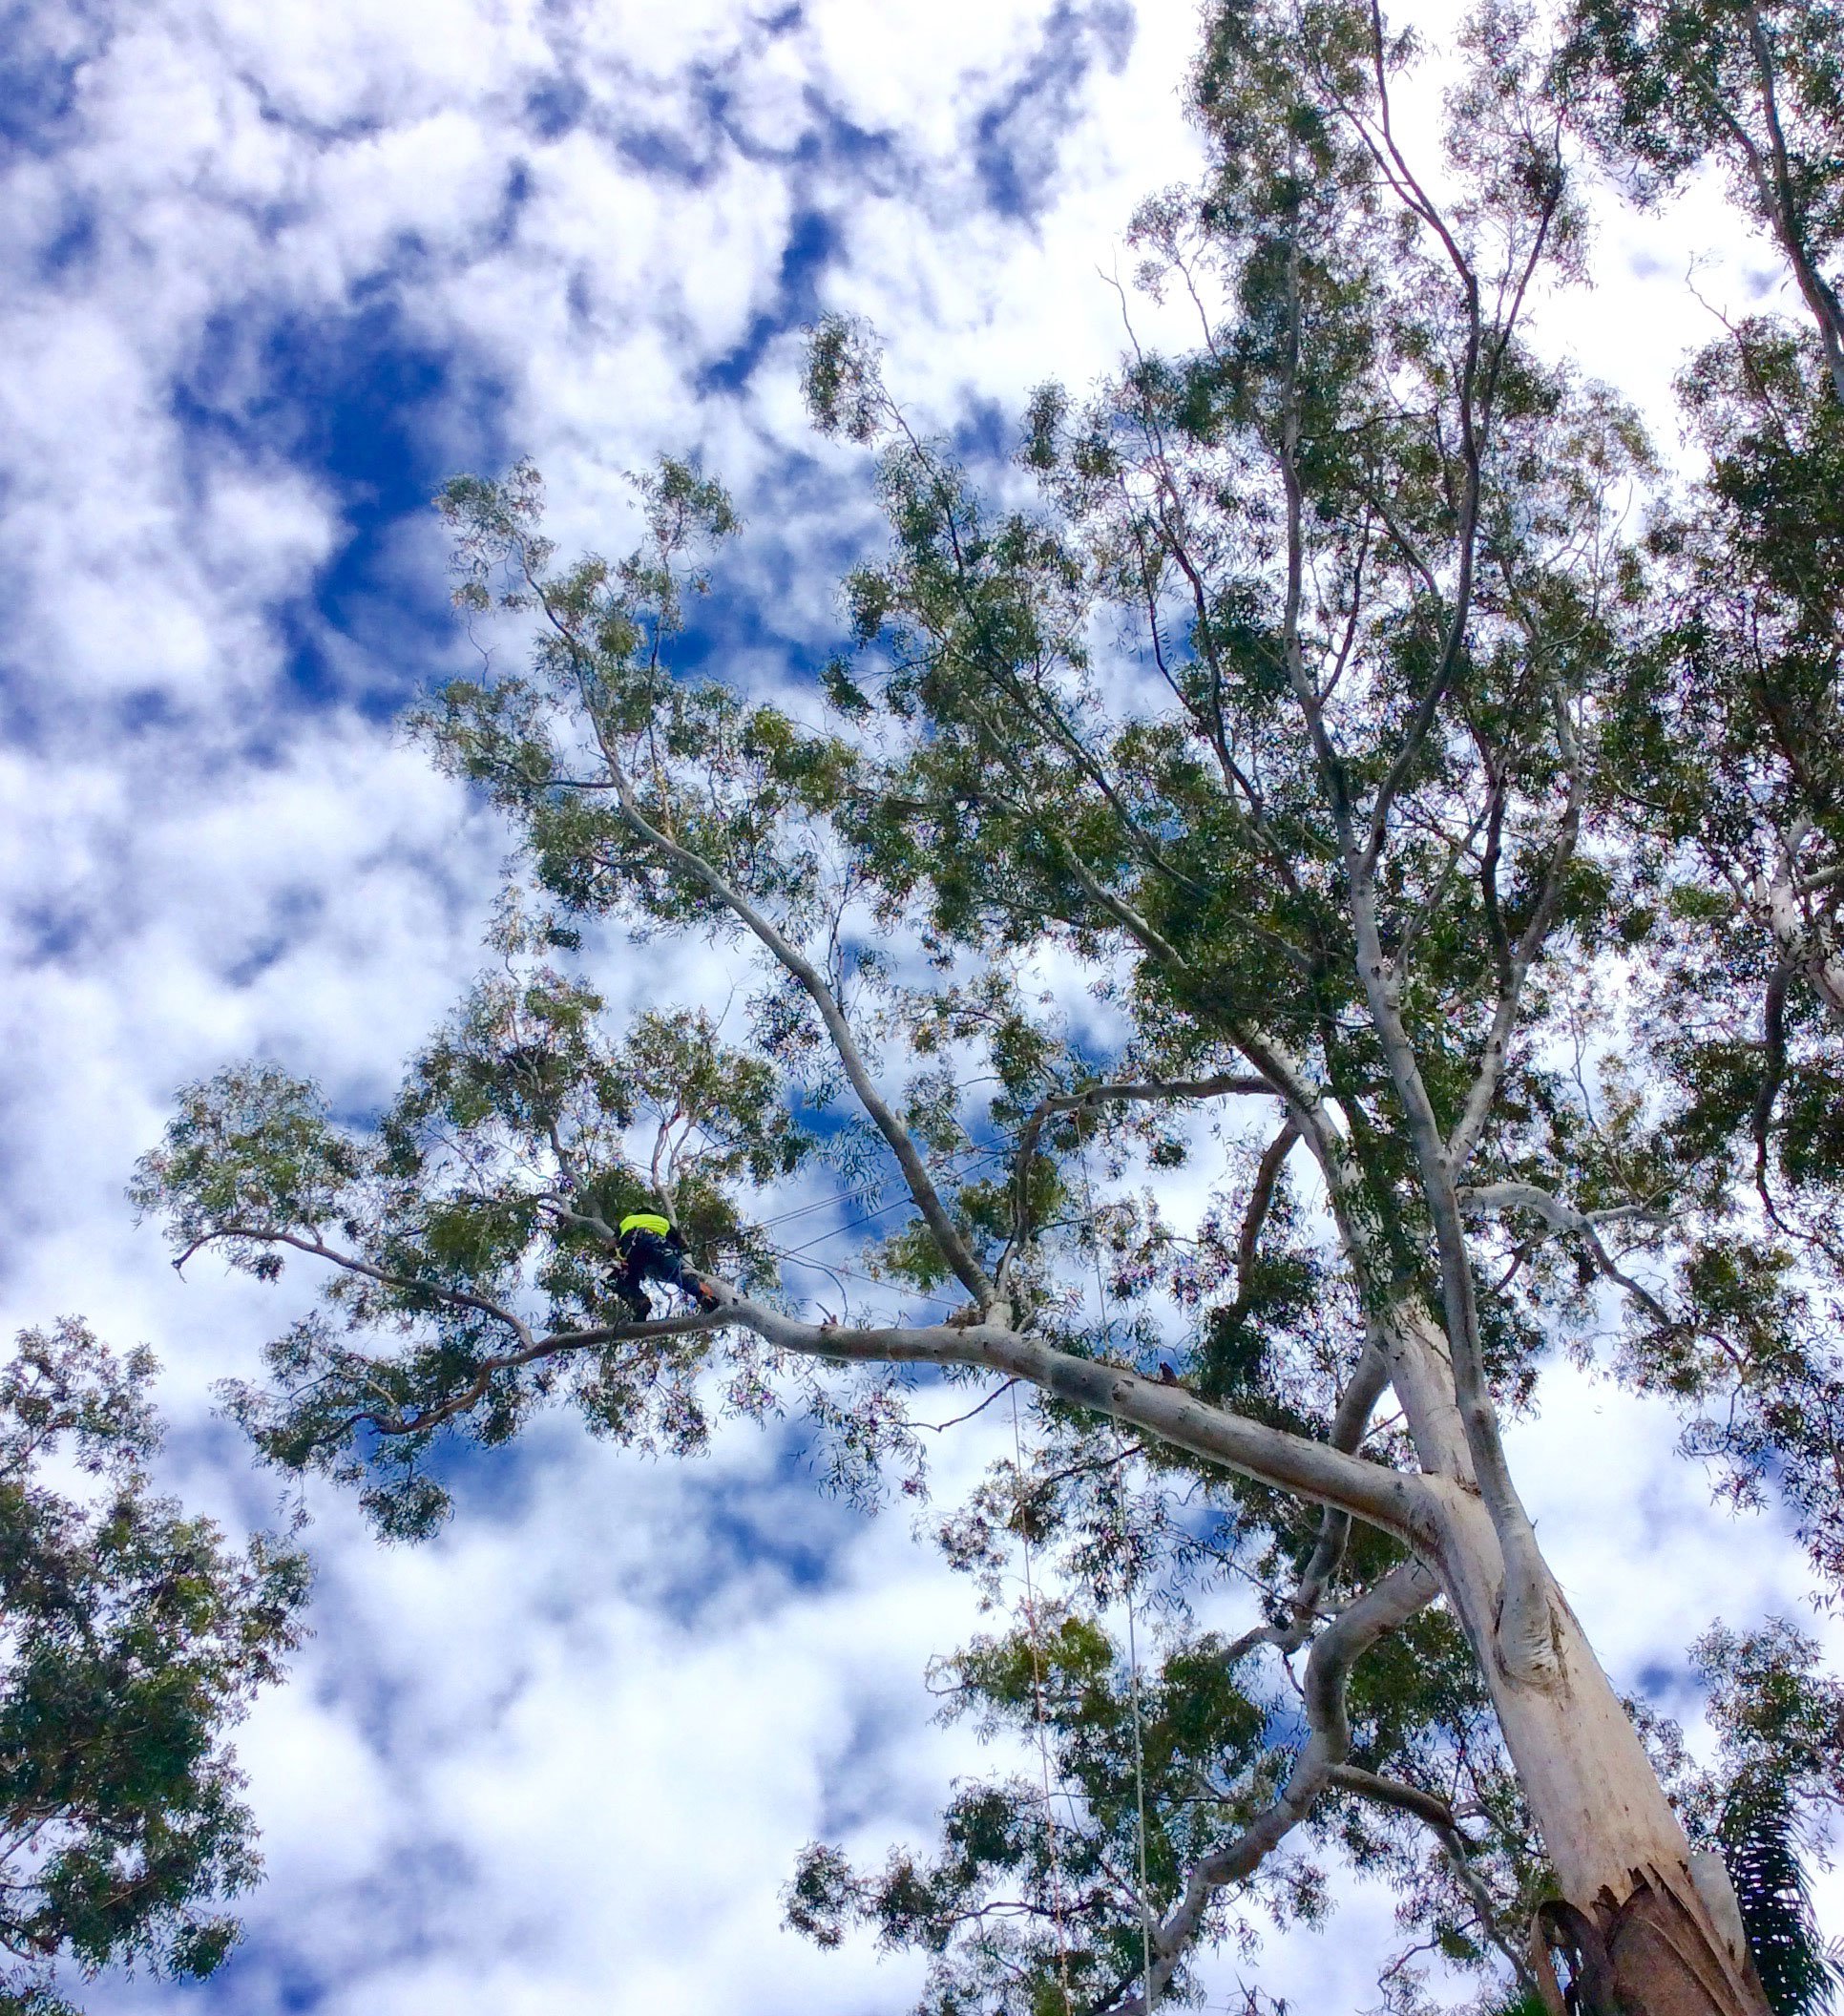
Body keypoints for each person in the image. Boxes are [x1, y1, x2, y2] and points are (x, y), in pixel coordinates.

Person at [613, 1208, 718, 1318]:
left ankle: (640, 1302)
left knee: (626, 1281)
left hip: (635, 1252)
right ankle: (703, 1295)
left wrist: (616, 1258)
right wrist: (689, 1265)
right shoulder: (662, 1221)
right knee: (678, 1275)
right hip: (661, 1249)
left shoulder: (627, 1221)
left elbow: (610, 1246)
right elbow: (681, 1244)